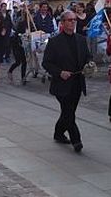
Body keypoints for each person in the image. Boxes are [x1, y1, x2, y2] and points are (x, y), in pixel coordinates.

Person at [42, 10, 91, 153]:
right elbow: (46, 63)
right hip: (61, 84)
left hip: (77, 82)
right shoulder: (54, 41)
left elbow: (88, 56)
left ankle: (58, 133)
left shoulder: (81, 39)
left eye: (74, 20)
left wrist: (89, 64)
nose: (73, 22)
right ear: (62, 23)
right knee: (69, 112)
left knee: (67, 112)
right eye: (69, 20)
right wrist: (59, 72)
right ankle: (77, 140)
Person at [8, 8, 29, 84]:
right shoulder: (21, 23)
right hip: (17, 44)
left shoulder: (31, 24)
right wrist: (22, 37)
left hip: (25, 45)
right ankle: (10, 71)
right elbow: (17, 34)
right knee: (18, 61)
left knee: (24, 61)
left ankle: (23, 77)